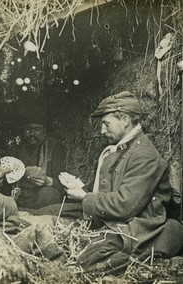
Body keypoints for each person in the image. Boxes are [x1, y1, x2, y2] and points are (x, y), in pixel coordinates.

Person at [65, 91, 183, 274]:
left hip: (139, 226)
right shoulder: (119, 150)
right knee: (51, 215)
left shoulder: (144, 154)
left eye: (106, 124)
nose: (102, 131)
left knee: (89, 259)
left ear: (125, 120)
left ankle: (157, 263)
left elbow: (126, 204)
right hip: (114, 221)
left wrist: (84, 197)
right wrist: (81, 189)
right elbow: (106, 190)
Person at [15, 100, 68, 209]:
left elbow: (63, 184)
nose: (32, 134)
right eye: (28, 129)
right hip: (21, 196)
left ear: (45, 128)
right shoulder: (18, 149)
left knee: (48, 195)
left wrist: (47, 180)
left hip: (41, 198)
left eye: (37, 129)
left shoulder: (55, 149)